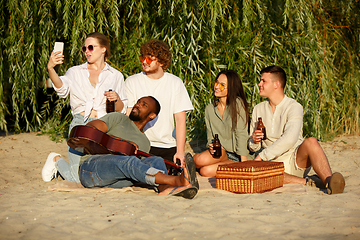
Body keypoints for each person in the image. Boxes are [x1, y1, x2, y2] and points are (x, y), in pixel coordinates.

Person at [42, 32, 127, 183]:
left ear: (103, 49)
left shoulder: (116, 75)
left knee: (101, 173)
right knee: (75, 179)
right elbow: (62, 89)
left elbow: (122, 109)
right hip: (80, 123)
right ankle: (56, 159)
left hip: (105, 126)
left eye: (90, 47)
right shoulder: (75, 72)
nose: (87, 51)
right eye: (84, 48)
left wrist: (117, 99)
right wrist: (51, 69)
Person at [248, 65, 345, 194]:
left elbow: (290, 138)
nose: (259, 84)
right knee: (264, 174)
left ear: (276, 84)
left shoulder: (294, 107)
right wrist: (254, 141)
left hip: (294, 160)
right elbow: (252, 147)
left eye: (263, 81)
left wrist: (262, 156)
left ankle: (329, 182)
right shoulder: (258, 109)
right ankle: (310, 182)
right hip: (271, 164)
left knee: (311, 141)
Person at [78, 96, 198, 199]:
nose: (137, 105)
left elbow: (138, 169)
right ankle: (175, 180)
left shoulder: (145, 143)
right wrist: (120, 143)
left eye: (143, 105)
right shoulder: (118, 118)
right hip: (91, 169)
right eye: (138, 102)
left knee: (157, 160)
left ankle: (165, 188)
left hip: (114, 181)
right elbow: (91, 129)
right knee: (129, 161)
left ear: (152, 115)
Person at [125, 39, 193, 167]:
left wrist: (180, 151)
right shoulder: (132, 81)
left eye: (149, 59)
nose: (144, 62)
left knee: (168, 176)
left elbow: (180, 120)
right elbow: (128, 116)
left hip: (167, 146)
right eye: (142, 57)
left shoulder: (175, 83)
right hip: (140, 145)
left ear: (161, 62)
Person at [193, 70, 250, 177]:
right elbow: (210, 136)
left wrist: (244, 163)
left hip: (237, 156)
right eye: (216, 83)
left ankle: (235, 166)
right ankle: (182, 168)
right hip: (221, 152)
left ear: (231, 88)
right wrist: (211, 145)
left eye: (222, 85)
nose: (217, 87)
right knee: (198, 160)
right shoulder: (209, 109)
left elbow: (241, 133)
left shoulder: (238, 104)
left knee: (205, 172)